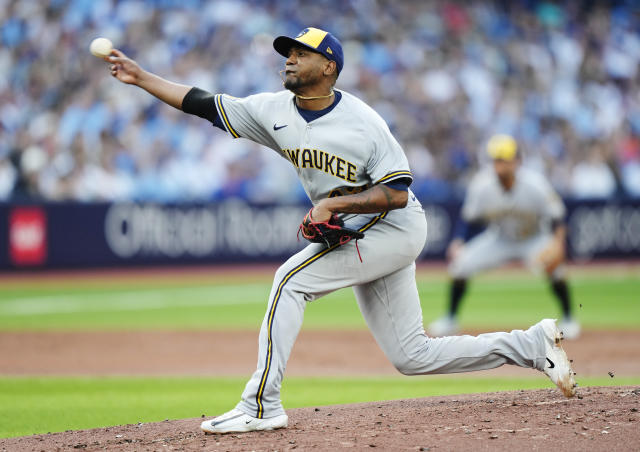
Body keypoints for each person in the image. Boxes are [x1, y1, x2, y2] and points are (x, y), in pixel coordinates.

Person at [106, 27, 577, 434]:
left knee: (290, 281)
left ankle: (261, 405)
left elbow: (396, 191)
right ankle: (531, 344)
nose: (288, 58)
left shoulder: (363, 123)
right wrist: (141, 77)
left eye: (300, 53)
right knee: (412, 356)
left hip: (394, 226)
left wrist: (333, 202)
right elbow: (204, 104)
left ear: (329, 67)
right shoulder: (274, 109)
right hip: (362, 233)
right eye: (287, 52)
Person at [428, 134, 581, 339]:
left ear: (518, 161)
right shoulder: (482, 185)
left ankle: (569, 318)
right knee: (460, 265)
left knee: (556, 269)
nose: (501, 165)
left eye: (505, 159)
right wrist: (458, 241)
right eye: (497, 160)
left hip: (533, 237)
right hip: (499, 238)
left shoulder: (535, 184)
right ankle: (450, 318)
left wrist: (557, 243)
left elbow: (557, 217)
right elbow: (469, 219)